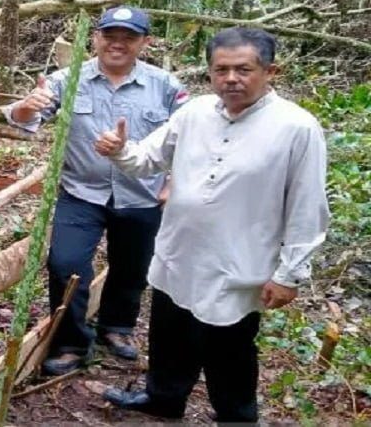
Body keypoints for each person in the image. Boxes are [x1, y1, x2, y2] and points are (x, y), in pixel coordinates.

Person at [95, 27, 329, 422]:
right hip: (178, 252)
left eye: (243, 69)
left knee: (229, 349)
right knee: (169, 334)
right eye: (221, 70)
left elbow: (307, 207)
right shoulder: (195, 112)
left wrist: (289, 274)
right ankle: (163, 399)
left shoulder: (296, 127)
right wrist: (119, 151)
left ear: (270, 71)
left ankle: (236, 417)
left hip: (238, 263)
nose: (231, 79)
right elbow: (147, 160)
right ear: (210, 73)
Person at [3, 6, 188, 375]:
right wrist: (25, 107)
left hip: (142, 194)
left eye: (128, 37)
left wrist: (173, 182)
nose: (117, 44)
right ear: (96, 38)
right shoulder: (66, 80)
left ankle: (117, 327)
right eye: (109, 35)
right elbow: (26, 118)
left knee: (132, 266)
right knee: (65, 264)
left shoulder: (166, 86)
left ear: (145, 42)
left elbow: (191, 138)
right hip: (81, 191)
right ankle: (70, 343)